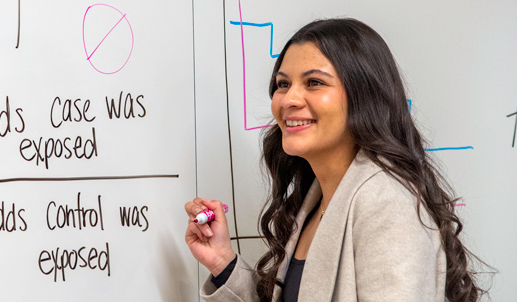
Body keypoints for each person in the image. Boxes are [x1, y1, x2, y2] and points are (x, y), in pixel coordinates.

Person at [185, 18, 486, 302]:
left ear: (363, 95)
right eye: (283, 84)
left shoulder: (386, 203)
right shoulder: (315, 202)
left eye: (314, 82)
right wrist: (223, 262)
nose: (289, 99)